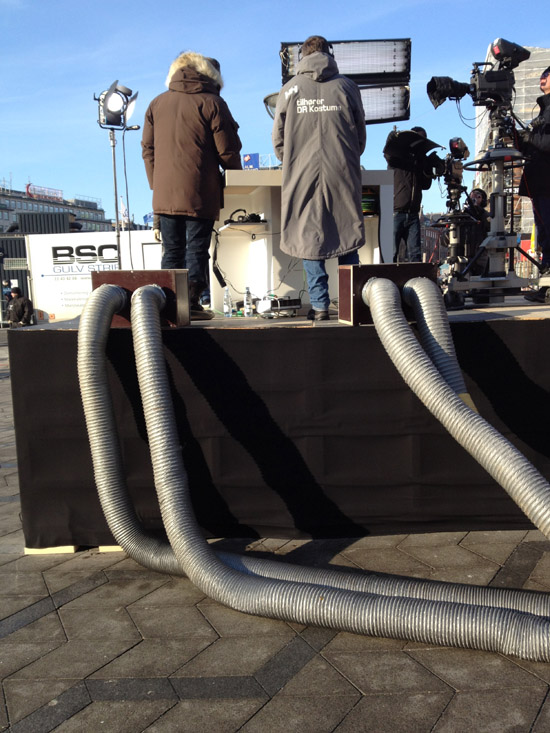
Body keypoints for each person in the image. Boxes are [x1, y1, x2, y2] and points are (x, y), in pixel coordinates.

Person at [272, 35, 366, 321]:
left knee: (308, 235)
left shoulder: (289, 90)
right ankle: (351, 304)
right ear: (329, 53)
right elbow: (360, 134)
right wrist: (348, 157)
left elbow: (278, 140)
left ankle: (320, 306)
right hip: (343, 171)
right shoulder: (348, 87)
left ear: (302, 56)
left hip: (301, 173)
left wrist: (291, 160)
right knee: (347, 231)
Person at [142, 52, 242, 319]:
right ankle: (193, 305)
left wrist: (157, 184)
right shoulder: (212, 102)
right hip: (199, 190)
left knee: (171, 251)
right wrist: (236, 178)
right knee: (197, 250)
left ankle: (166, 306)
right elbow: (228, 150)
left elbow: (147, 149)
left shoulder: (156, 103)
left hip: (164, 194)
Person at [384, 126, 444, 262]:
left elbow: (425, 185)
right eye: (420, 138)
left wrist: (428, 170)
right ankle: (389, 281)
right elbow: (388, 153)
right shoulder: (397, 157)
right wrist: (393, 136)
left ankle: (415, 280)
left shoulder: (419, 162)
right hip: (396, 211)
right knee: (391, 253)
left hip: (412, 213)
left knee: (415, 253)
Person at [518, 66, 550, 303]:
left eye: (548, 74)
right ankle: (546, 286)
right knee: (545, 234)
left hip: (547, 180)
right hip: (539, 181)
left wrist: (531, 138)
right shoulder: (543, 109)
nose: (543, 77)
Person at [463, 188, 490, 275]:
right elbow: (444, 240)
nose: (474, 198)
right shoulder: (462, 216)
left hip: (481, 259)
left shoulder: (486, 217)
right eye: (472, 196)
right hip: (463, 259)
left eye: (478, 196)